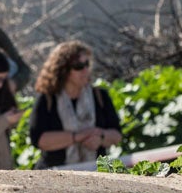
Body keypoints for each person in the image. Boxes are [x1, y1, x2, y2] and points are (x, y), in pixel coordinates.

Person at [27, 41, 122, 169]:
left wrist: (100, 137)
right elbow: (38, 140)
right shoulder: (47, 99)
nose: (85, 70)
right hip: (55, 176)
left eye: (87, 64)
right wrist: (78, 137)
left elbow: (117, 135)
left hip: (95, 174)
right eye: (78, 66)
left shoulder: (100, 96)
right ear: (63, 70)